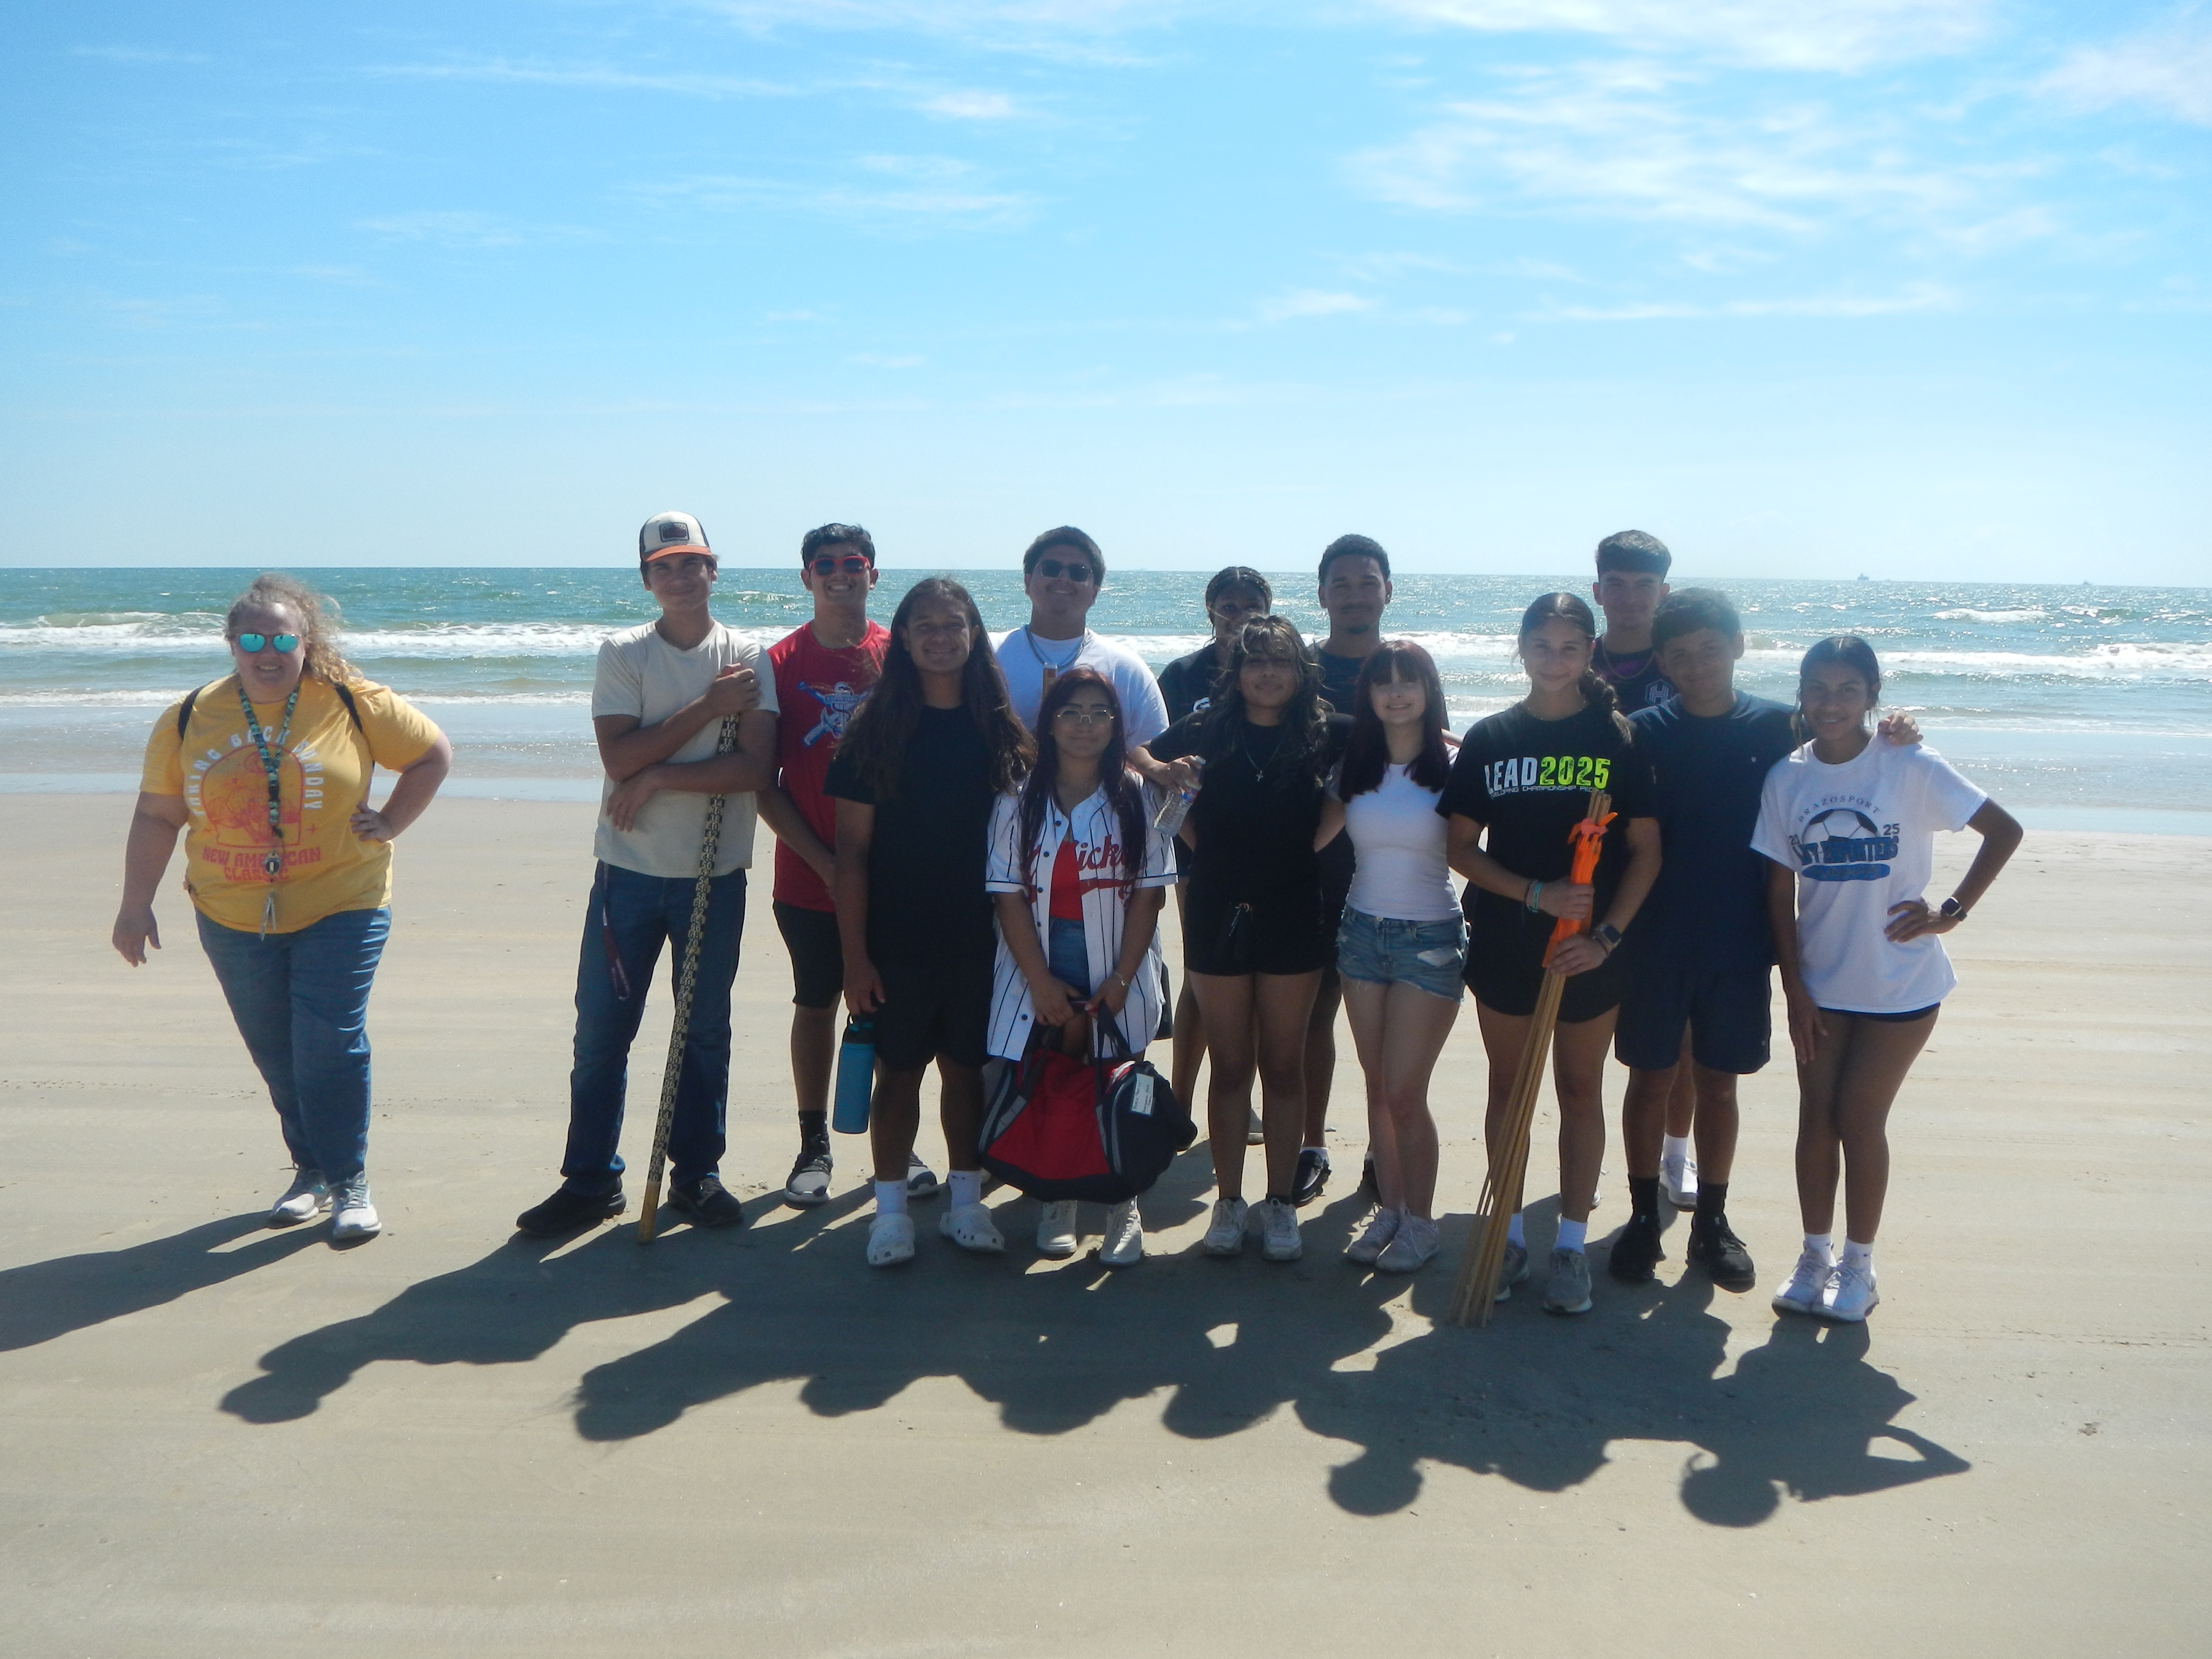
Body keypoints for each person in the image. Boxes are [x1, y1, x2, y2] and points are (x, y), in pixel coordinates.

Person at [114, 573, 451, 1242]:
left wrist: (390, 822)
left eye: (281, 639)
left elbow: (431, 755)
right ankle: (311, 1171)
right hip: (230, 912)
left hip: (343, 901)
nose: (266, 653)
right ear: (231, 644)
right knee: (276, 1051)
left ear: (305, 642)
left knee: (329, 1041)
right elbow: (158, 814)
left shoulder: (351, 701)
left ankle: (350, 1181)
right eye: (251, 639)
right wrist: (135, 903)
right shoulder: (190, 716)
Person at [1611, 590, 1924, 1292]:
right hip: (1654, 938)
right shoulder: (1639, 732)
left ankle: (1711, 1223)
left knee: (1719, 1085)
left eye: (1711, 649)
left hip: (1742, 940)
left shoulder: (1778, 727)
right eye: (1681, 654)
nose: (1698, 665)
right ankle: (1639, 1217)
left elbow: (1848, 749)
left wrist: (1898, 729)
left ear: (1739, 646)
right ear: (1662, 661)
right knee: (1650, 1079)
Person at [516, 513, 779, 1238]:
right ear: (647, 578)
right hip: (627, 874)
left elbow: (754, 768)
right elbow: (616, 762)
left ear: (713, 570)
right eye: (664, 566)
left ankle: (697, 1174)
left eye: (692, 563)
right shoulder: (625, 652)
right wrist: (705, 709)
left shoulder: (748, 655)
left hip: (713, 875)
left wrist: (662, 770)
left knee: (703, 1031)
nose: (680, 576)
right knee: (603, 1032)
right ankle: (591, 1180)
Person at [1757, 636, 2021, 1322]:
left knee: (1858, 1118)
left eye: (1848, 689)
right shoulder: (1788, 778)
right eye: (1817, 688)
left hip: (1900, 985)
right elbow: (1778, 890)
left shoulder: (1908, 764)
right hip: (1820, 983)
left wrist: (1950, 912)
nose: (1831, 702)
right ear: (1802, 695)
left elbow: (2004, 830)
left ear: (1873, 696)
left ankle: (1860, 1267)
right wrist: (1793, 987)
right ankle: (1814, 1257)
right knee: (1816, 1117)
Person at [1440, 592, 1661, 1315]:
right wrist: (1535, 894)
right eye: (1543, 646)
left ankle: (1569, 1245)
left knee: (1577, 1090)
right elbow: (1460, 848)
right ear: (1522, 649)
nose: (1555, 660)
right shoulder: (1492, 738)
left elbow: (1645, 855)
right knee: (1510, 1088)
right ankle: (1506, 1236)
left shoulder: (1617, 738)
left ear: (1589, 652)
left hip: (1590, 955)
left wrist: (1606, 937)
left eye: (1571, 648)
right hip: (1510, 940)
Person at [828, 578, 1034, 1268]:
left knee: (967, 1073)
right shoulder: (873, 729)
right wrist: (855, 959)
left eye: (954, 625)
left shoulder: (1001, 728)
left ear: (975, 635)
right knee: (901, 1074)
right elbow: (851, 853)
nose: (940, 637)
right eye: (925, 626)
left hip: (985, 937)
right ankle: (890, 1214)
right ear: (905, 637)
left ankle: (966, 1203)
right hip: (898, 936)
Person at [1141, 616, 1350, 1264]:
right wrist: (1204, 845)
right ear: (1237, 670)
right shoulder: (1208, 728)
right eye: (1255, 661)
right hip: (1214, 909)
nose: (1267, 673)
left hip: (1295, 906)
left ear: (1300, 670)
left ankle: (1280, 1202)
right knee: (1231, 1066)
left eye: (1281, 661)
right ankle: (1229, 1202)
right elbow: (1142, 758)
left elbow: (1385, 760)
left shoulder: (1327, 729)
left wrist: (1303, 849)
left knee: (1283, 1066)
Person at [756, 524, 940, 1209]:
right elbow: (762, 781)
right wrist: (825, 862)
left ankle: (900, 1144)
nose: (841, 574)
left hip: (894, 878)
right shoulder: (777, 663)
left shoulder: (903, 659)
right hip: (808, 874)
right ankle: (814, 1145)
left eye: (853, 564)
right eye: (825, 565)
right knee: (817, 1003)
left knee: (899, 1009)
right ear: (806, 577)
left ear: (873, 575)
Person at [984, 668, 1177, 1266]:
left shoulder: (1138, 794)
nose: (1085, 725)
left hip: (1121, 954)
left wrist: (1121, 978)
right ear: (1049, 722)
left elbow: (1150, 892)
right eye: (1071, 712)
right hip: (1042, 954)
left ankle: (1124, 1202)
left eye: (1100, 712)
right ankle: (1058, 1194)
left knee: (1120, 1075)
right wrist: (1039, 980)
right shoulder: (1017, 796)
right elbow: (1006, 893)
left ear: (1118, 725)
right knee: (1056, 1071)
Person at [1314, 641, 1462, 1274]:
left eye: (1410, 682)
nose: (1396, 693)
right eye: (1384, 684)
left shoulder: (1459, 765)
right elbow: (1306, 841)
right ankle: (1392, 1210)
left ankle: (1423, 1224)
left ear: (1429, 690)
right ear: (1368, 696)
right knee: (1376, 1086)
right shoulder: (1354, 767)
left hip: (1429, 940)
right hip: (1360, 935)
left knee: (1405, 1091)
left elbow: (1495, 846)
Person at [1290, 534, 1396, 1205]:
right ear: (1323, 594)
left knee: (1381, 1029)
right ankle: (1311, 1145)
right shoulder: (1297, 671)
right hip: (1309, 869)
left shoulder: (1405, 669)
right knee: (1311, 1019)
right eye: (1343, 583)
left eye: (1368, 581)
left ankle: (1384, 1153)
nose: (1356, 593)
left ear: (1388, 589)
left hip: (1388, 874)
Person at [1154, 566, 1273, 1133]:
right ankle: (1179, 1099)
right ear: (1209, 611)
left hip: (1265, 848)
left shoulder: (1281, 672)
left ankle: (1236, 1095)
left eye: (1251, 605)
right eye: (1229, 607)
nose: (1239, 616)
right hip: (1196, 842)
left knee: (1249, 969)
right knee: (1204, 970)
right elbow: (1154, 761)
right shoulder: (1181, 675)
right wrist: (1191, 839)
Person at [993, 525, 1169, 747]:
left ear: (1095, 592)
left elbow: (1153, 751)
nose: (1063, 579)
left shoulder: (1125, 668)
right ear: (1027, 582)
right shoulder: (989, 654)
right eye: (1051, 568)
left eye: (1078, 573)